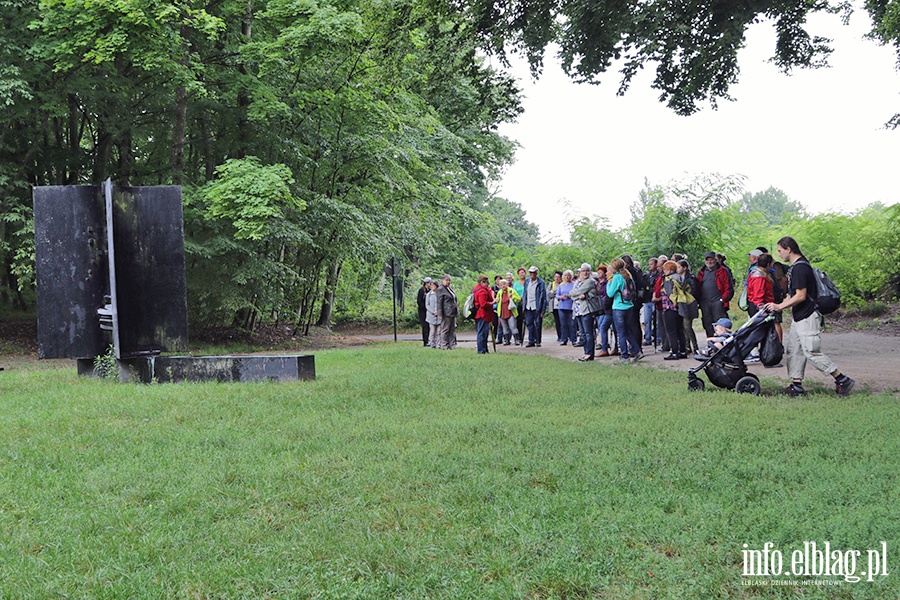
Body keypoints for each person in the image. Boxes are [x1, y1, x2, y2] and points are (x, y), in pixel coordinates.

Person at [764, 236, 855, 397]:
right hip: (799, 316)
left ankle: (842, 379)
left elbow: (801, 296)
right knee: (794, 350)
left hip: (808, 316)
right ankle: (796, 385)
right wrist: (779, 304)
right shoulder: (795, 267)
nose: (779, 254)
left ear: (788, 249)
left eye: (779, 251)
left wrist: (779, 307)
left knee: (811, 351)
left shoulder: (800, 268)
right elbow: (792, 294)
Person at [607, 258, 643, 362]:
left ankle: (624, 356)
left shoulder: (617, 277)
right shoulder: (628, 276)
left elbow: (610, 293)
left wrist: (609, 283)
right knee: (627, 331)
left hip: (619, 307)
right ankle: (637, 351)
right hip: (629, 306)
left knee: (621, 333)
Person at [696, 251, 733, 338]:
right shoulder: (701, 272)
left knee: (721, 324)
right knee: (707, 323)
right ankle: (711, 343)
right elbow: (697, 286)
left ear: (715, 260)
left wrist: (722, 300)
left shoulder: (723, 271)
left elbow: (729, 287)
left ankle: (722, 343)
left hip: (718, 302)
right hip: (705, 302)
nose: (710, 262)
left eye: (711, 259)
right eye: (707, 260)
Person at [659, 260, 689, 360]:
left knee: (671, 331)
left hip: (670, 308)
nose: (663, 271)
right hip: (680, 307)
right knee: (680, 330)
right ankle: (683, 351)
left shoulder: (668, 279)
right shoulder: (680, 277)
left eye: (664, 269)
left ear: (669, 269)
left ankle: (675, 352)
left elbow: (669, 294)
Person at [570, 263, 599, 361]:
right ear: (580, 272)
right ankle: (585, 352)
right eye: (583, 271)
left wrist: (576, 295)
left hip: (586, 310)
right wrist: (578, 296)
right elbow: (571, 293)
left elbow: (577, 292)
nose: (585, 272)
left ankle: (589, 353)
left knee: (588, 332)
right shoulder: (577, 282)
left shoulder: (590, 281)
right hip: (578, 311)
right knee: (582, 333)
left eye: (587, 270)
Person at [677, 259, 700, 354]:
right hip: (682, 304)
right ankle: (687, 346)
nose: (677, 269)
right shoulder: (679, 278)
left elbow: (694, 291)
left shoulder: (690, 278)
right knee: (684, 326)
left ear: (685, 268)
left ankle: (695, 346)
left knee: (687, 326)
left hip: (689, 304)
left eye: (679, 267)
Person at [521, 266, 548, 347]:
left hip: (537, 306)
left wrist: (542, 311)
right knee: (529, 324)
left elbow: (543, 297)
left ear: (536, 273)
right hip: (528, 306)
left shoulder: (541, 282)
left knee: (538, 324)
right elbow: (525, 294)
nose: (531, 274)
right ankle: (531, 340)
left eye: (533, 273)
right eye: (530, 273)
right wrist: (524, 306)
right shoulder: (527, 281)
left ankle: (538, 341)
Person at [595, 264, 616, 357]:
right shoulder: (598, 283)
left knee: (603, 327)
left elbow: (609, 295)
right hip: (602, 308)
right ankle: (615, 348)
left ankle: (605, 349)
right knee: (610, 328)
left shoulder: (610, 282)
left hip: (609, 308)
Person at [494, 278, 521, 345]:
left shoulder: (512, 291)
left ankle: (517, 340)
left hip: (510, 312)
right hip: (502, 312)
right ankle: (506, 340)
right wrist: (496, 301)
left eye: (504, 284)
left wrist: (512, 297)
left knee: (513, 326)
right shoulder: (500, 292)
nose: (503, 286)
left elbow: (518, 299)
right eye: (501, 285)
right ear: (499, 286)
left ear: (507, 284)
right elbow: (498, 302)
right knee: (504, 328)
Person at [472, 275, 495, 354]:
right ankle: (481, 350)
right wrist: (492, 302)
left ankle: (484, 350)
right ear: (482, 282)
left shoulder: (476, 289)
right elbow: (483, 304)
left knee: (483, 333)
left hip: (480, 314)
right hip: (483, 315)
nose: (488, 284)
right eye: (486, 282)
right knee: (482, 333)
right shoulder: (482, 291)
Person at [436, 274, 458, 350]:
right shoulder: (440, 289)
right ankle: (444, 344)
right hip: (446, 312)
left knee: (452, 329)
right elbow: (439, 302)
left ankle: (452, 344)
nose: (448, 282)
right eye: (446, 280)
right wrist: (440, 313)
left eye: (449, 280)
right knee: (445, 329)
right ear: (443, 280)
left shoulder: (449, 289)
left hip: (452, 312)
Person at [555, 269, 576, 345]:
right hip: (562, 306)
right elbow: (557, 295)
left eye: (569, 275)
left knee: (572, 324)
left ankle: (573, 339)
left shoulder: (574, 284)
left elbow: (576, 293)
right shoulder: (561, 285)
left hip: (571, 306)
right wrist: (560, 297)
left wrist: (569, 296)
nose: (567, 277)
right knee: (563, 324)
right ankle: (564, 339)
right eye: (566, 275)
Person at [643, 257, 659, 347]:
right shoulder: (647, 276)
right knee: (647, 320)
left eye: (651, 264)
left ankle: (658, 338)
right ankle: (647, 338)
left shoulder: (659, 275)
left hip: (655, 300)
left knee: (657, 321)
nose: (650, 266)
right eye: (649, 264)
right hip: (647, 300)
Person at [424, 280, 440, 348]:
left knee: (439, 332)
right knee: (432, 331)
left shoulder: (439, 294)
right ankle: (432, 344)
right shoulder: (429, 295)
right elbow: (427, 305)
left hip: (439, 315)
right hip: (431, 316)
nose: (432, 287)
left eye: (433, 285)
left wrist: (438, 311)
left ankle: (438, 344)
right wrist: (432, 311)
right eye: (431, 286)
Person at [416, 277, 432, 347]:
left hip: (429, 311)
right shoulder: (421, 291)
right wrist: (425, 307)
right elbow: (419, 302)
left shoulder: (431, 291)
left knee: (429, 326)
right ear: (426, 283)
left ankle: (430, 340)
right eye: (429, 283)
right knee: (425, 326)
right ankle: (425, 341)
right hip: (423, 312)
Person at [513, 267, 527, 344]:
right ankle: (519, 338)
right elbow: (514, 293)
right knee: (519, 322)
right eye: (520, 273)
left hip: (527, 304)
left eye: (523, 272)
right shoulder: (516, 283)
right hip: (518, 304)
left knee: (529, 321)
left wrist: (524, 297)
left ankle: (533, 338)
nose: (522, 274)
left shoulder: (528, 282)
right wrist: (519, 298)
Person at [549, 270, 563, 342]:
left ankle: (564, 335)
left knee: (563, 321)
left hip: (562, 305)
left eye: (558, 277)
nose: (557, 278)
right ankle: (559, 336)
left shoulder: (563, 284)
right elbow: (548, 295)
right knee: (557, 321)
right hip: (554, 305)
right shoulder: (552, 284)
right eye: (556, 277)